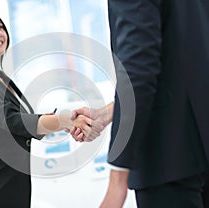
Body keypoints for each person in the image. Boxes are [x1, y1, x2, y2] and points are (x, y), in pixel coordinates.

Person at [0, 8, 103, 208]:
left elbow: (26, 120)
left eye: (0, 27)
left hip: (17, 186)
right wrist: (65, 120)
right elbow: (13, 121)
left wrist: (66, 123)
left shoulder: (3, 80)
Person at [72, 0, 209, 207]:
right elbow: (178, 64)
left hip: (167, 156)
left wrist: (117, 180)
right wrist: (110, 112)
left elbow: (138, 73)